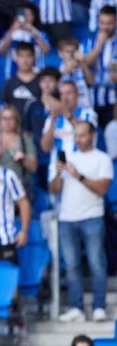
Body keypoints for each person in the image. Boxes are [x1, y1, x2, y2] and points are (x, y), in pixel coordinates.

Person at [50, 121, 113, 323]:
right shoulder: (69, 158)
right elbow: (54, 190)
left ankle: (99, 307)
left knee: (96, 263)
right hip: (68, 218)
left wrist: (78, 176)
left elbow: (102, 189)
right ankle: (76, 307)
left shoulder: (102, 159)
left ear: (93, 135)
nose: (79, 139)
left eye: (82, 135)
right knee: (71, 265)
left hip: (92, 217)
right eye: (76, 135)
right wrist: (59, 173)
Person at [40, 81, 98, 157]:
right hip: (57, 167)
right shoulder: (51, 118)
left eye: (68, 93)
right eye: (61, 94)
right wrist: (53, 120)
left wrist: (64, 111)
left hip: (82, 166)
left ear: (77, 95)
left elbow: (86, 134)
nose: (64, 98)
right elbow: (45, 147)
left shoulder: (88, 114)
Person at [84, 5, 117, 127]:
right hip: (92, 100)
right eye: (102, 23)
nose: (105, 27)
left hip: (113, 101)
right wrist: (99, 46)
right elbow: (84, 63)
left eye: (110, 23)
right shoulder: (90, 41)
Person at [0, 2, 50, 78]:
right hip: (12, 74)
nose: (26, 18)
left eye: (29, 15)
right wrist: (12, 30)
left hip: (36, 74)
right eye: (23, 15)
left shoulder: (40, 33)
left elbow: (46, 51)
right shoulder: (9, 33)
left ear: (34, 16)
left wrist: (33, 32)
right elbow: (1, 51)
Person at [0, 104, 38, 189]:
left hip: (20, 185)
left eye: (11, 118)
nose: (7, 122)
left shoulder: (25, 140)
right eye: (4, 118)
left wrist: (23, 158)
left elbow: (33, 167)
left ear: (16, 121)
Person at [0, 42, 42, 120]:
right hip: (15, 129)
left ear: (34, 58)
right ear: (16, 58)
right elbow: (4, 108)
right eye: (21, 56)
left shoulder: (41, 83)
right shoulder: (9, 83)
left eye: (28, 56)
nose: (25, 60)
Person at [56, 37, 93, 110]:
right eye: (67, 51)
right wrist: (64, 71)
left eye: (73, 51)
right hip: (66, 109)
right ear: (60, 53)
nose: (71, 54)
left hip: (85, 108)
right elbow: (53, 89)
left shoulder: (83, 66)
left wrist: (83, 64)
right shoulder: (57, 70)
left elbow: (91, 82)